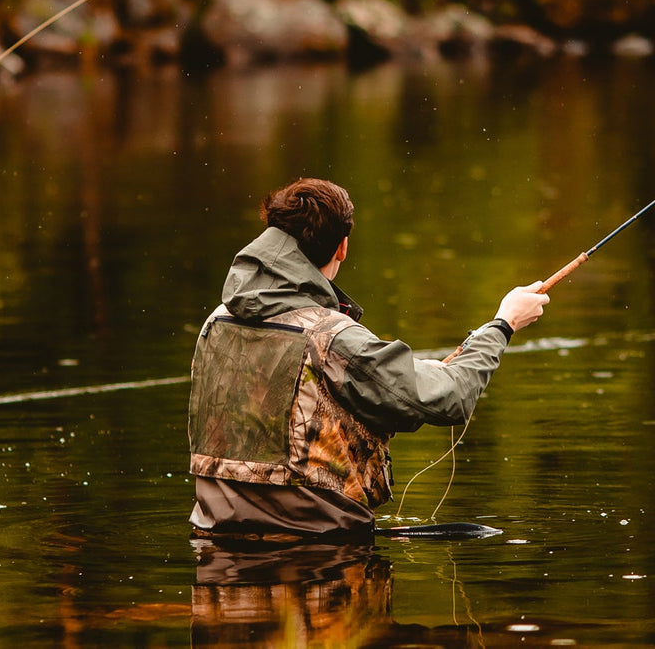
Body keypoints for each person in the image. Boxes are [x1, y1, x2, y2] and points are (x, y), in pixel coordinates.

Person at [188, 177, 548, 540]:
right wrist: (503, 324)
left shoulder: (216, 322)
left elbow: (303, 379)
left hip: (215, 543)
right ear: (342, 247)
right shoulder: (331, 337)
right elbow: (450, 398)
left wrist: (419, 371)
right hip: (322, 555)